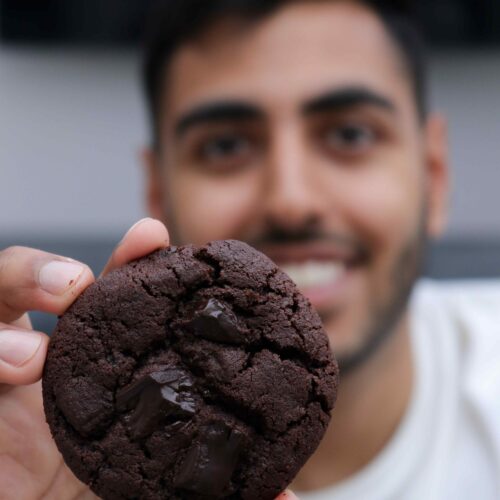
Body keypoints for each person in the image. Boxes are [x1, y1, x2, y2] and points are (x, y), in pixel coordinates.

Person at [0, 1, 498, 499]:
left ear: (434, 176)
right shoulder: (45, 429)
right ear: (158, 192)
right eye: (224, 146)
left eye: (351, 134)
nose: (291, 201)